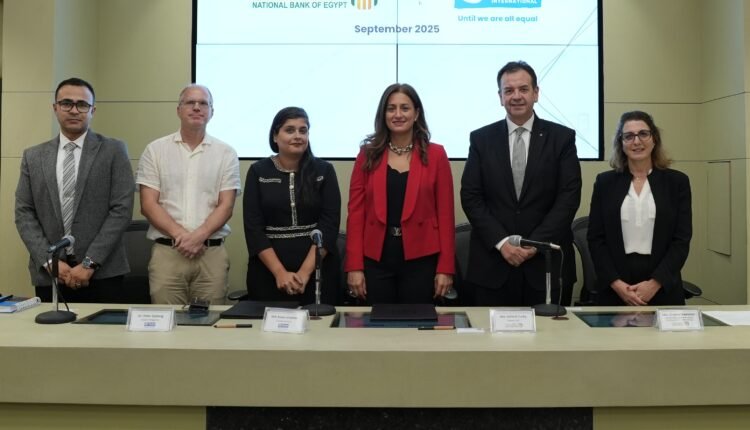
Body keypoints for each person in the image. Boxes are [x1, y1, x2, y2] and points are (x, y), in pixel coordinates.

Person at [460, 61, 582, 307]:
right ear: (500, 97)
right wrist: (503, 243)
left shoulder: (562, 138)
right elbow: (471, 197)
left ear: (536, 93)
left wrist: (534, 245)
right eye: (509, 90)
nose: (516, 96)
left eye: (523, 89)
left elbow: (568, 197)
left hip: (545, 265)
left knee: (549, 333)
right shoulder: (481, 139)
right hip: (493, 266)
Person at [15, 77, 135, 303]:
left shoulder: (113, 151)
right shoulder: (34, 156)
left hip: (103, 272)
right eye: (66, 103)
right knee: (50, 327)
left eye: (82, 105)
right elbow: (24, 213)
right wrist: (50, 262)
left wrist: (89, 263)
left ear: (92, 110)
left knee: (103, 328)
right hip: (51, 274)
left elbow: (122, 210)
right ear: (55, 108)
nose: (74, 110)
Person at [345, 83, 455, 304]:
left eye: (405, 108)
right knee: (377, 323)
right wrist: (354, 267)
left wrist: (446, 268)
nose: (397, 114)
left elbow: (445, 215)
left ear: (416, 114)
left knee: (418, 322)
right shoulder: (367, 154)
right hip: (375, 259)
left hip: (422, 259)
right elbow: (356, 214)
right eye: (391, 108)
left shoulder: (436, 154)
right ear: (383, 114)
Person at [136, 84, 241, 305]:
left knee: (209, 322)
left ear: (212, 112)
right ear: (178, 110)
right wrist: (183, 237)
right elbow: (148, 204)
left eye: (203, 103)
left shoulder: (226, 153)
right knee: (166, 322)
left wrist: (198, 237)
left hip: (210, 255)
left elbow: (226, 205)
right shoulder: (155, 150)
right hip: (168, 253)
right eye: (190, 103)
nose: (196, 108)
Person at [587, 111, 691, 306]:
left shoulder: (677, 182)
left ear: (654, 139)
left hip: (662, 285)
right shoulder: (605, 183)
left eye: (643, 134)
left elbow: (681, 240)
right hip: (616, 288)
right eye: (628, 136)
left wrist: (655, 283)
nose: (636, 141)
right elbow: (595, 238)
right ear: (621, 143)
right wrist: (617, 284)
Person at [243, 107, 341, 305]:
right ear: (275, 136)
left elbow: (329, 225)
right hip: (268, 272)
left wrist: (304, 274)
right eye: (290, 130)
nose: (297, 136)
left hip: (317, 271)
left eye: (303, 131)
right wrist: (279, 272)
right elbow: (253, 228)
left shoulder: (324, 170)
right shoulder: (258, 171)